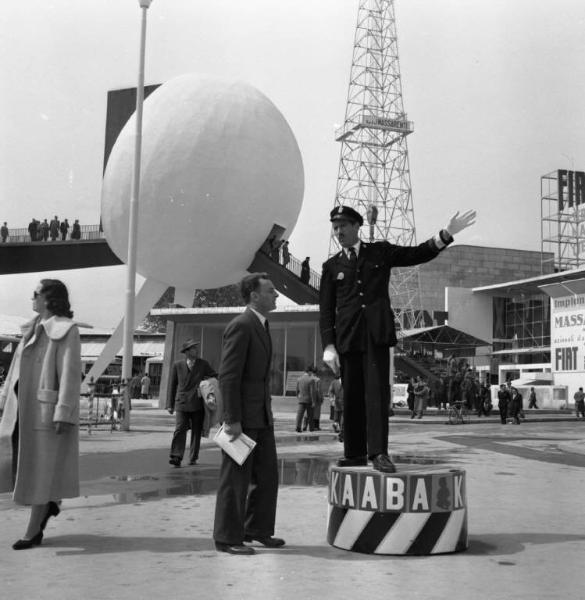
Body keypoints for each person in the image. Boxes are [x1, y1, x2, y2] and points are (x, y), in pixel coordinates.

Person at [319, 205, 476, 472]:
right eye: (335, 227)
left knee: (376, 395)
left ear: (357, 226)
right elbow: (326, 309)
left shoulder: (379, 252)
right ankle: (354, 452)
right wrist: (329, 346)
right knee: (353, 396)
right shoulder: (331, 266)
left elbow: (417, 254)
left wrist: (446, 234)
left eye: (344, 225)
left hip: (376, 335)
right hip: (348, 339)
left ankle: (378, 452)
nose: (339, 231)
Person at [0, 279, 81, 550]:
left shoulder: (66, 331)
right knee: (28, 468)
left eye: (35, 294)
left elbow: (70, 376)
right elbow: (15, 371)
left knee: (39, 471)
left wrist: (63, 412)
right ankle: (50, 504)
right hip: (22, 410)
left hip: (45, 413)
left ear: (49, 299)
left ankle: (33, 530)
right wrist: (3, 398)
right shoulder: (32, 328)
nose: (31, 299)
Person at [213, 273, 285, 555]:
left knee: (267, 476)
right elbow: (228, 376)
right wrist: (231, 419)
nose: (276, 295)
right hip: (242, 418)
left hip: (261, 416)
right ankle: (227, 538)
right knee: (235, 479)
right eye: (271, 291)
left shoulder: (261, 325)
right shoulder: (241, 325)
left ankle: (256, 529)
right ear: (254, 296)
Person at [166, 339, 217, 467]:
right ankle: (176, 456)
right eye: (193, 348)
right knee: (180, 429)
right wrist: (169, 404)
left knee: (196, 431)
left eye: (195, 348)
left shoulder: (203, 364)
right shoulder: (177, 365)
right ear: (187, 352)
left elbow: (215, 376)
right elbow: (172, 385)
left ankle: (193, 457)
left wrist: (206, 385)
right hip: (181, 402)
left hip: (197, 402)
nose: (196, 350)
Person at [295, 366, 315, 432]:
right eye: (311, 372)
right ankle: (311, 428)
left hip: (301, 399)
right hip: (309, 400)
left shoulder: (299, 379)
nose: (311, 373)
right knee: (310, 415)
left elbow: (297, 390)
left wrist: (298, 396)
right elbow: (312, 392)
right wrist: (313, 401)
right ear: (309, 372)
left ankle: (298, 427)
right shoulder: (311, 380)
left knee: (299, 415)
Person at [328, 375, 344, 440]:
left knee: (342, 417)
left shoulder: (335, 382)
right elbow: (330, 391)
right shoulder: (334, 382)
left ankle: (341, 430)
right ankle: (338, 427)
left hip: (342, 402)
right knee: (338, 415)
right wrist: (332, 399)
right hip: (337, 402)